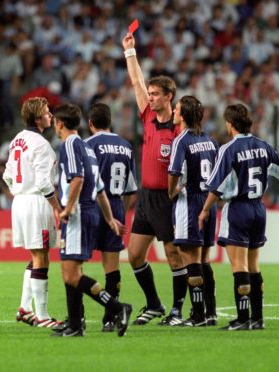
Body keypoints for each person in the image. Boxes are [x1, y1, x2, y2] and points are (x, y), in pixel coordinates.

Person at [198, 104, 279, 331]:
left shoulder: (228, 149)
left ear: (230, 124)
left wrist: (204, 210)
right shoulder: (264, 146)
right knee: (253, 265)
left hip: (238, 208)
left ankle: (242, 319)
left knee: (239, 265)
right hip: (259, 209)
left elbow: (216, 186)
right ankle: (257, 318)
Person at [122, 31, 187, 325]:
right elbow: (135, 81)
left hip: (168, 198)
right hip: (147, 197)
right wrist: (130, 52)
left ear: (169, 97)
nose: (150, 97)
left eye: (155, 94)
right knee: (134, 254)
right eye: (149, 94)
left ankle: (177, 310)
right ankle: (154, 304)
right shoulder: (147, 116)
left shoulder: (179, 129)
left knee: (173, 255)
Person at [51, 103, 132, 337]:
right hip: (92, 211)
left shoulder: (70, 145)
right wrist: (110, 219)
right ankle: (75, 324)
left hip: (78, 213)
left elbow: (76, 179)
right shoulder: (86, 149)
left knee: (72, 274)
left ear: (60, 123)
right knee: (70, 270)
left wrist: (67, 209)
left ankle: (118, 308)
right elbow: (100, 189)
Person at [2, 97, 62, 328]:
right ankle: (43, 315)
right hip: (37, 202)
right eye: (47, 112)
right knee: (41, 257)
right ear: (38, 118)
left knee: (35, 256)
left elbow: (7, 175)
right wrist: (57, 207)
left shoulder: (17, 140)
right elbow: (45, 183)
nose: (51, 115)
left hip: (19, 202)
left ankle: (25, 309)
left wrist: (19, 190)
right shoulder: (40, 144)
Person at [84, 103, 138, 332]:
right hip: (116, 206)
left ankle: (77, 317)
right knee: (112, 267)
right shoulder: (126, 146)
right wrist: (120, 214)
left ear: (90, 123)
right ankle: (110, 319)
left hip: (92, 205)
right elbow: (131, 189)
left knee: (75, 266)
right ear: (110, 121)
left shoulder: (87, 145)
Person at [168, 95, 219, 327]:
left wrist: (171, 191)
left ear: (184, 115)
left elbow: (174, 171)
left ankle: (197, 314)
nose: (173, 112)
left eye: (176, 109)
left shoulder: (182, 140)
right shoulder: (209, 140)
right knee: (205, 259)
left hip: (190, 202)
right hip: (209, 202)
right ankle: (211, 312)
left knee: (190, 259)